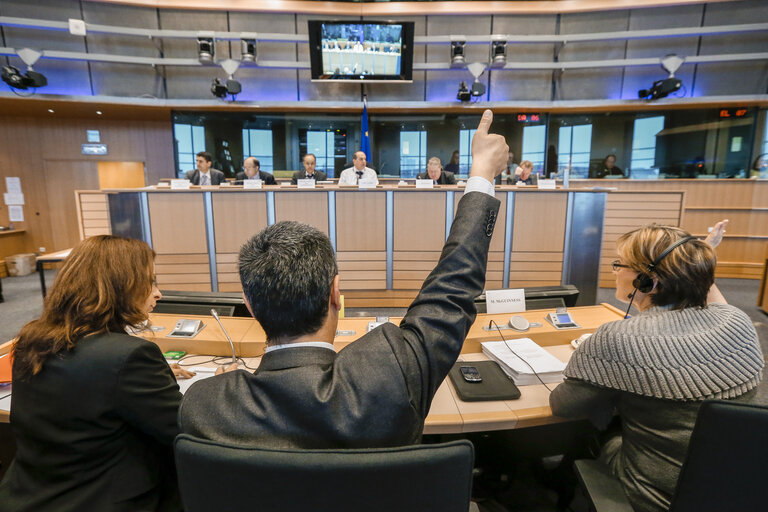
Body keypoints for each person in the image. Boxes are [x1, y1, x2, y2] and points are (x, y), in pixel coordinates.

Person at [178, 109, 509, 449]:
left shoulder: (204, 407)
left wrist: (222, 388)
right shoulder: (393, 372)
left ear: (249, 305)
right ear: (336, 293)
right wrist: (482, 172)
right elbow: (452, 290)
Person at [549, 220, 764, 512]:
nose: (614, 271)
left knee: (594, 424)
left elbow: (563, 405)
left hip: (658, 496)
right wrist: (697, 261)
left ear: (646, 281)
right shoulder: (738, 321)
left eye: (619, 264)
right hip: (739, 484)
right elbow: (712, 301)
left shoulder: (619, 337)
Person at [0, 235, 195, 512]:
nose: (157, 293)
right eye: (151, 281)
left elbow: (88, 387)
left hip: (29, 496)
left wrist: (151, 378)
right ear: (122, 286)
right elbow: (183, 427)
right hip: (106, 500)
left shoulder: (31, 341)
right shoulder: (129, 356)